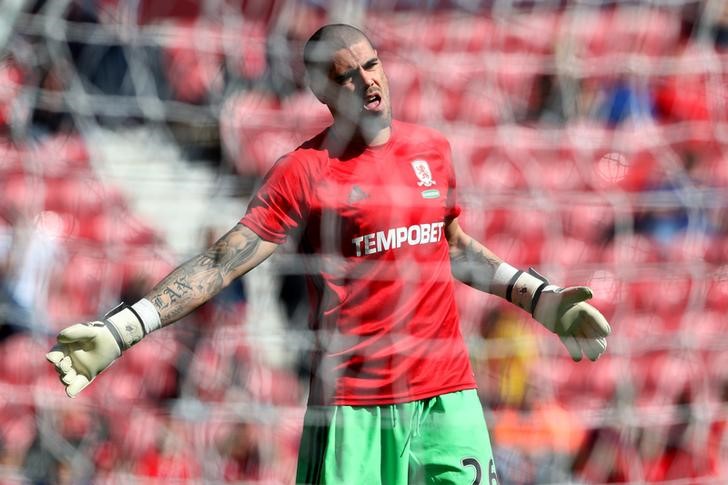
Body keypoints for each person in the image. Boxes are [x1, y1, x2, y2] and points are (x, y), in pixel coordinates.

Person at [46, 24, 611, 484]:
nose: (367, 81)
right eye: (346, 75)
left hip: (448, 394)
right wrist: (126, 328)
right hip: (353, 412)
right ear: (322, 93)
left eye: (371, 65)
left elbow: (453, 247)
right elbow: (223, 261)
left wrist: (542, 299)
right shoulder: (304, 171)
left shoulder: (432, 151)